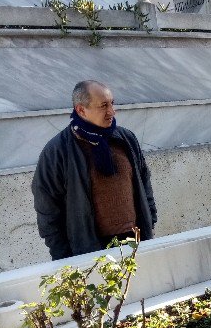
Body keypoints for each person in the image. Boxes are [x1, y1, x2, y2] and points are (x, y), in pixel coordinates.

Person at [32, 80, 157, 260]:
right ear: (81, 110)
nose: (112, 112)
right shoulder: (57, 151)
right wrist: (64, 256)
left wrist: (150, 219)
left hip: (135, 241)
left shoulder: (126, 139)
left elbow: (144, 180)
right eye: (104, 106)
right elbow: (47, 208)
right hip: (88, 250)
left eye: (112, 103)